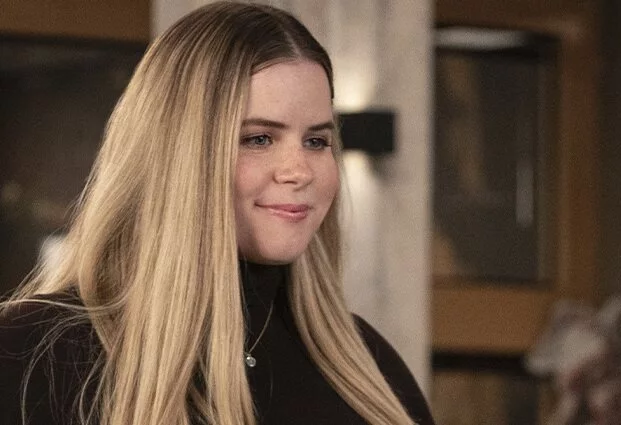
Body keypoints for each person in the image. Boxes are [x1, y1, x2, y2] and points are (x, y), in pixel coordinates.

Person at [0, 3, 435, 424]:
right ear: (181, 153)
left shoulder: (370, 369)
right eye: (259, 139)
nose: (300, 171)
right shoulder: (34, 354)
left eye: (316, 141)